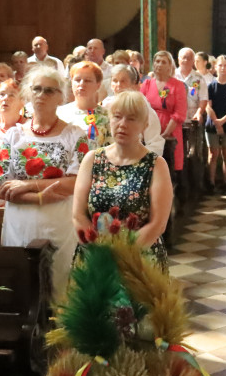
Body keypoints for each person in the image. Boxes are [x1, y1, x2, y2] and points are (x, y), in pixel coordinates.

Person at [0, 67, 89, 298]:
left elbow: (76, 183)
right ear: (27, 93)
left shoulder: (75, 135)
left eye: (49, 90)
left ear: (60, 97)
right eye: (36, 89)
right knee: (23, 288)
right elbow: (1, 187)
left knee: (59, 284)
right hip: (19, 222)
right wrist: (39, 197)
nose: (41, 95)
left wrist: (28, 186)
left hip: (59, 220)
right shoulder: (14, 135)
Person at [73, 91, 172, 271]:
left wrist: (123, 256)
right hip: (95, 260)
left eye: (132, 119)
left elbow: (158, 223)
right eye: (117, 117)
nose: (122, 125)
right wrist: (100, 251)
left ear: (145, 125)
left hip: (140, 261)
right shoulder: (92, 159)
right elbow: (78, 214)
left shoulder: (156, 164)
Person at [141, 51, 188, 178]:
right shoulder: (147, 84)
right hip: (149, 129)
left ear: (170, 66)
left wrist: (164, 134)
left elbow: (179, 113)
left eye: (163, 62)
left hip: (170, 130)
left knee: (168, 168)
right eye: (157, 61)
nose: (159, 65)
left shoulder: (177, 85)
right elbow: (140, 107)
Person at [110, 63, 165, 156]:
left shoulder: (143, 108)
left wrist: (136, 160)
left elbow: (155, 144)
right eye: (115, 81)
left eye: (123, 81)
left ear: (133, 84)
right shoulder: (106, 104)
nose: (118, 85)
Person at [204, 55, 226, 193]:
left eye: (225, 65)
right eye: (220, 65)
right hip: (212, 124)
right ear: (216, 67)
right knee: (213, 154)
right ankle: (211, 183)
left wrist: (223, 121)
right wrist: (217, 123)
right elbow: (207, 106)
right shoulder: (211, 86)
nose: (223, 68)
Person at [57, 60, 106, 144]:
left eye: (87, 80)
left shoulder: (107, 116)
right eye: (77, 80)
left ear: (98, 85)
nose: (82, 84)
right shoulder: (59, 113)